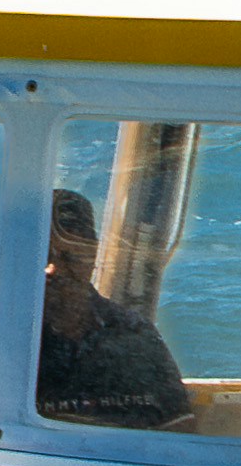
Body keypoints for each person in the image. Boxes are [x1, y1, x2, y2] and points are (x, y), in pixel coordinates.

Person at [35, 183, 192, 429]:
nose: (54, 269)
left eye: (70, 256)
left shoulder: (133, 333)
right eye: (42, 257)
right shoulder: (6, 340)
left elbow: (180, 428)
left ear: (93, 253)